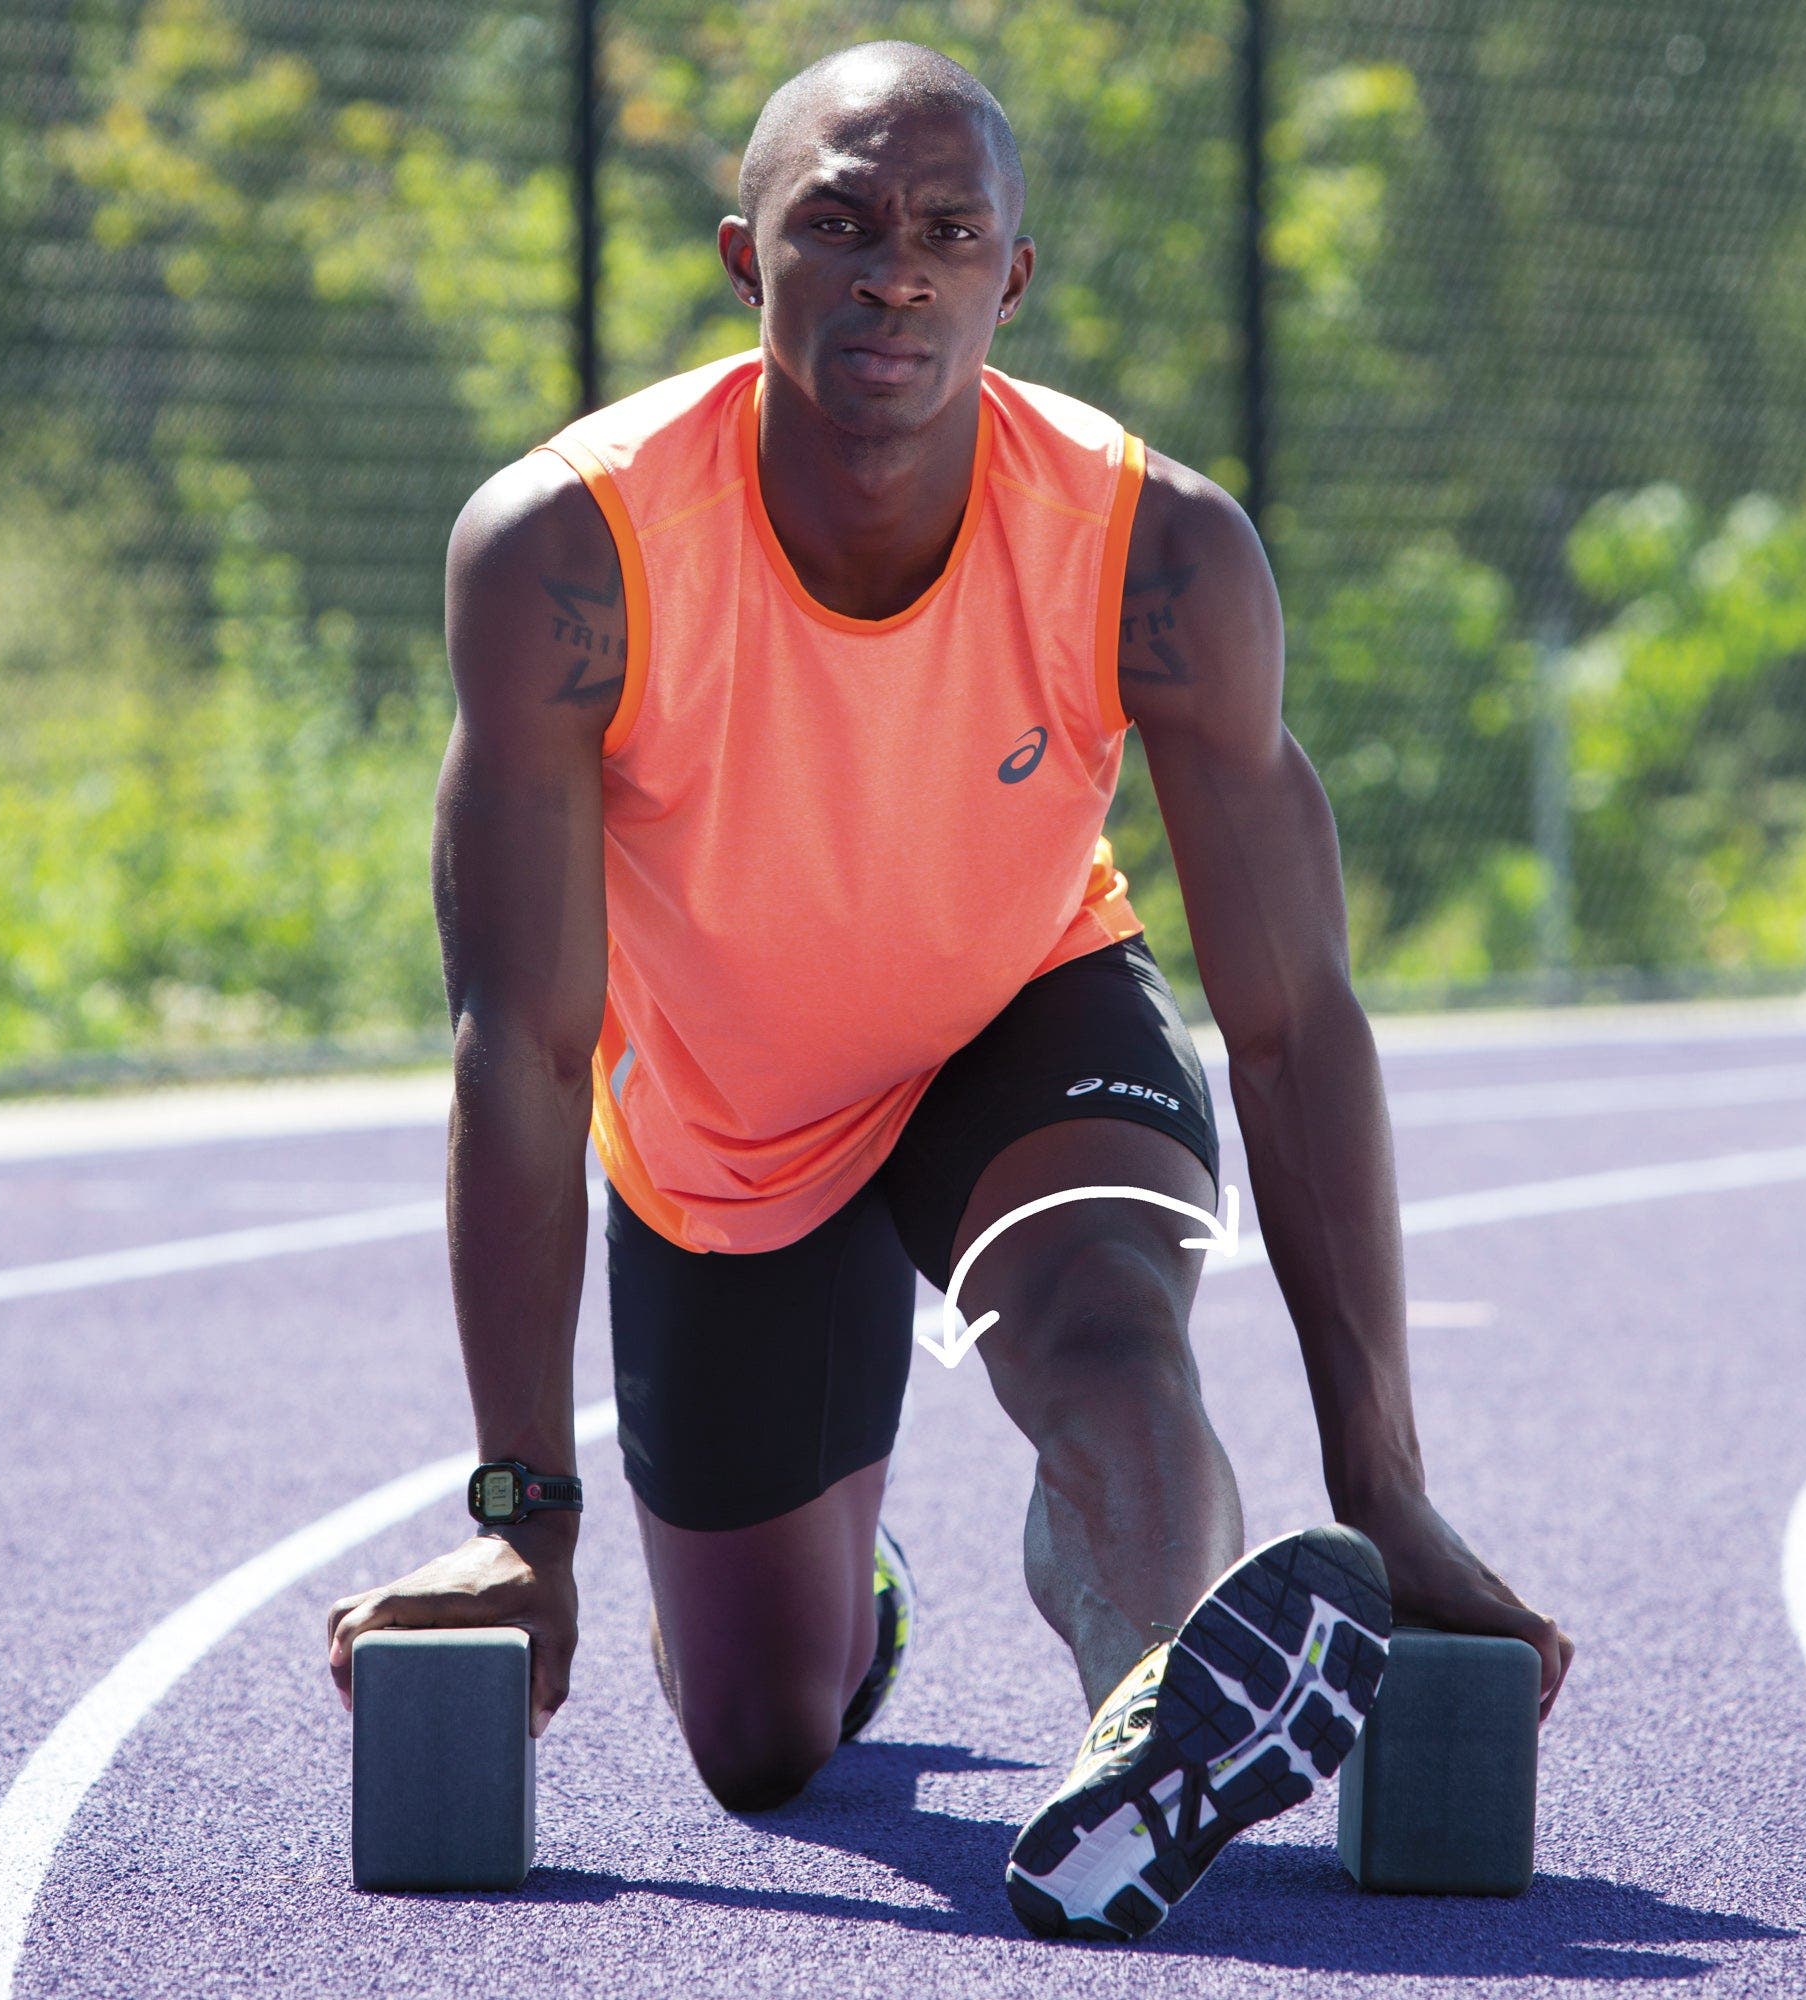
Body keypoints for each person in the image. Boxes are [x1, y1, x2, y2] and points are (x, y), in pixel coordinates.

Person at [325, 39, 1574, 1941]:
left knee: (1103, 1329)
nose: (893, 269)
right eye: (838, 224)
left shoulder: (1157, 549)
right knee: (757, 1737)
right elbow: (523, 1053)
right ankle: (867, 1602)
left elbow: (1297, 1019)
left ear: (1015, 274)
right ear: (750, 262)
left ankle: (1160, 1715)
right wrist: (524, 1529)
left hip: (1021, 1015)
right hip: (733, 1128)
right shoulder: (568, 553)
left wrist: (1385, 1486)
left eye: (945, 230)